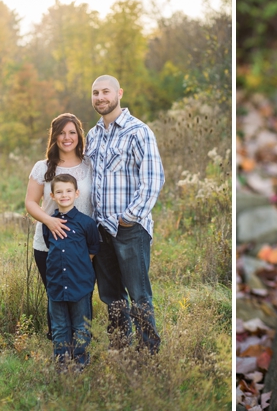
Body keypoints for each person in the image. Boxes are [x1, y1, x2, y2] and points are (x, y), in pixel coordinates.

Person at [84, 75, 165, 353]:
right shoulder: (92, 136)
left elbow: (153, 179)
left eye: (105, 91)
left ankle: (147, 351)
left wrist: (130, 217)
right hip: (101, 229)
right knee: (110, 295)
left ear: (119, 93)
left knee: (139, 293)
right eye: (95, 93)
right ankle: (120, 346)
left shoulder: (137, 131)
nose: (100, 97)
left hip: (130, 229)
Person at [25, 113, 94, 341]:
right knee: (55, 294)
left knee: (81, 295)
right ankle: (59, 345)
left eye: (72, 132)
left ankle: (80, 346)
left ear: (79, 135)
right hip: (48, 245)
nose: (67, 137)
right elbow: (30, 202)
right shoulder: (43, 167)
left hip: (82, 245)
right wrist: (49, 220)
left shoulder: (90, 164)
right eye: (61, 133)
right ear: (54, 136)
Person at [41, 173, 100, 369]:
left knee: (81, 326)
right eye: (59, 191)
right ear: (52, 196)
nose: (64, 195)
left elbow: (92, 250)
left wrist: (79, 267)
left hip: (80, 284)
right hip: (56, 284)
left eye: (68, 191)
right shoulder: (48, 223)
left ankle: (80, 363)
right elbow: (51, 246)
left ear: (77, 193)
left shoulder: (86, 223)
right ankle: (62, 364)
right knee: (59, 327)